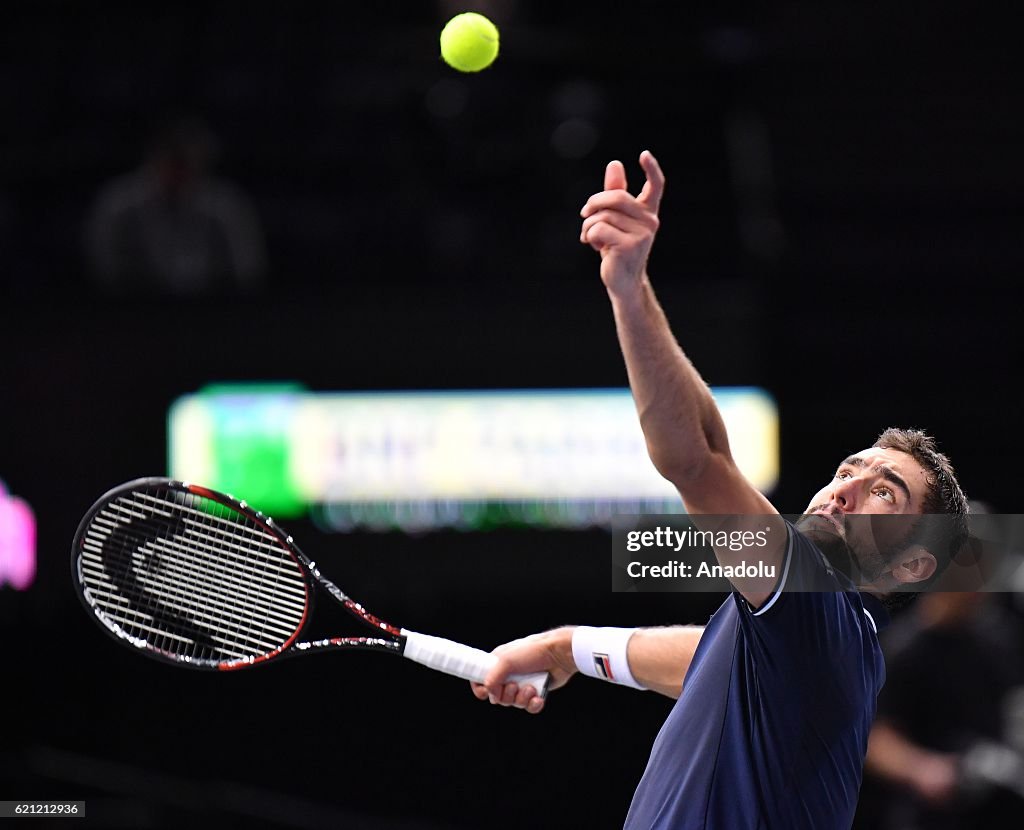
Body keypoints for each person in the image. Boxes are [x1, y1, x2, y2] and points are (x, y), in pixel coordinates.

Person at [469, 150, 970, 829]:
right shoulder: (811, 645)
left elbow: (698, 459)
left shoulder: (816, 601)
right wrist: (565, 648)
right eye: (848, 469)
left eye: (886, 493)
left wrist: (628, 286)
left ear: (912, 565)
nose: (845, 490)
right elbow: (703, 659)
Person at [84, 117, 267, 297]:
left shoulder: (227, 206)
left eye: (185, 160)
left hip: (214, 314)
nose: (177, 169)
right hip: (132, 312)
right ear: (153, 156)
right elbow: (104, 272)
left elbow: (248, 274)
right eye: (170, 159)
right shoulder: (118, 205)